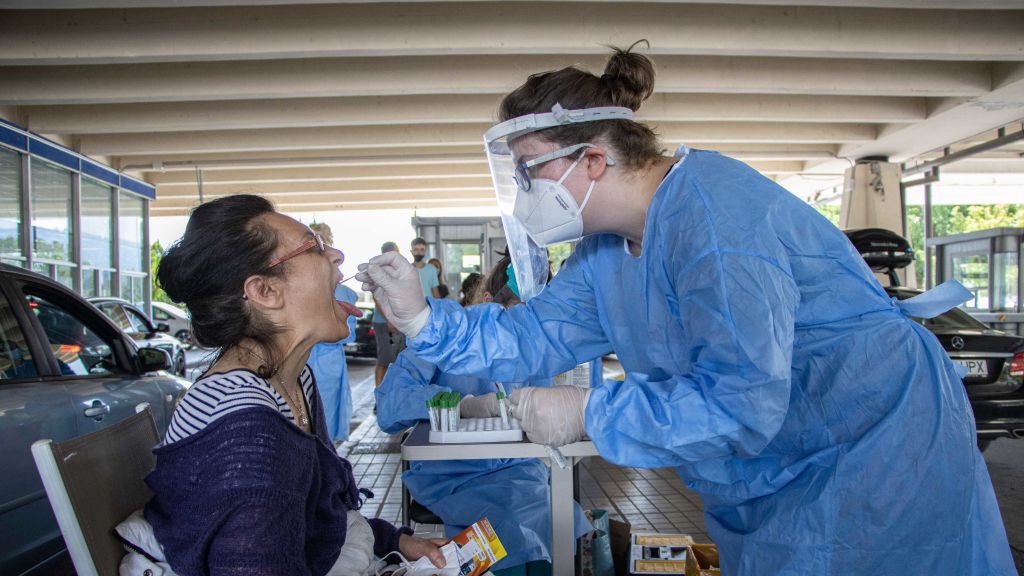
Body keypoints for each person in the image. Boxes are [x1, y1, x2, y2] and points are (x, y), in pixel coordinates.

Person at [357, 43, 1016, 575]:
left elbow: (740, 405)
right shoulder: (606, 252)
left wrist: (588, 411)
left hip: (871, 443)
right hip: (770, 468)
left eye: (530, 170)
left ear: (593, 159)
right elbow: (533, 335)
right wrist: (423, 320)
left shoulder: (717, 221)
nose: (523, 192)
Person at [147, 195, 445, 575]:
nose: (336, 255)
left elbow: (315, 518)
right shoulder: (246, 433)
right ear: (265, 292)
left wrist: (395, 542)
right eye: (314, 247)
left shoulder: (291, 379)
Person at [375, 257, 591, 576]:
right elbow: (389, 407)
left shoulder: (535, 345)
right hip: (455, 475)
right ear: (488, 302)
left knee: (561, 520)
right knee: (506, 529)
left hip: (521, 471)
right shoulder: (443, 340)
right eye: (516, 317)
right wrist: (460, 404)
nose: (522, 337)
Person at [307, 222, 359, 443]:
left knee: (316, 418)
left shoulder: (343, 293)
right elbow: (348, 335)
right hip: (323, 363)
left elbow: (348, 334)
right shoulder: (345, 293)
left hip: (317, 362)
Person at [373, 241, 405, 387]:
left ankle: (395, 390)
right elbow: (377, 298)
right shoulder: (377, 271)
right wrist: (389, 320)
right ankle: (379, 393)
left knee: (400, 360)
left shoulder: (400, 272)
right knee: (384, 360)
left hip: (400, 322)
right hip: (383, 322)